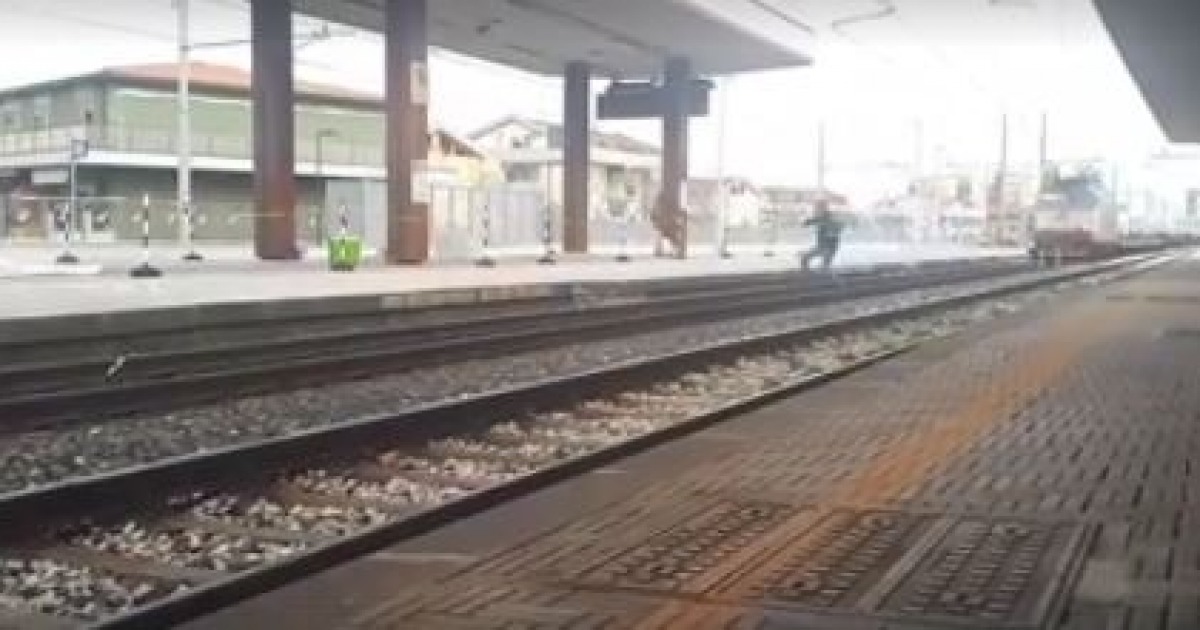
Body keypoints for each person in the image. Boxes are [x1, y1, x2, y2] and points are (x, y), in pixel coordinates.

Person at [800, 199, 843, 272]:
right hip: (826, 246)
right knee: (806, 260)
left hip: (828, 246)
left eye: (817, 208)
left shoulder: (826, 217)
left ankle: (812, 274)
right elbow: (807, 222)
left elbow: (837, 228)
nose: (815, 210)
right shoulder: (823, 217)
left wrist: (807, 222)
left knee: (807, 260)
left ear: (822, 208)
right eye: (816, 208)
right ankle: (810, 274)